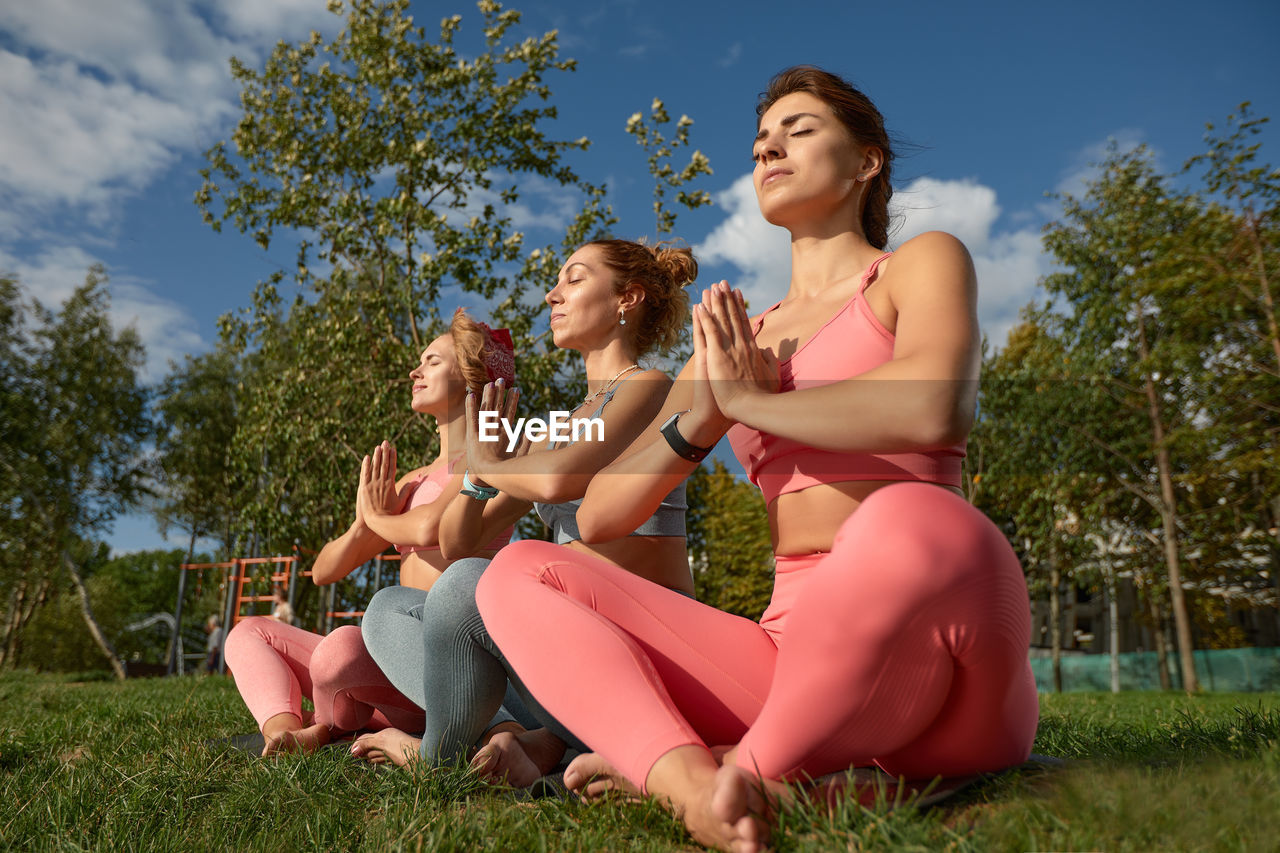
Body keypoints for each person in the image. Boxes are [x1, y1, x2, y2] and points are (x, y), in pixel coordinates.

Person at [473, 66, 1039, 851]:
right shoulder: (741, 337)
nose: (769, 145)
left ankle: (755, 763)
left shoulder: (917, 264)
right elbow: (601, 515)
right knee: (520, 569)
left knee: (910, 517)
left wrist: (756, 405)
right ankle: (698, 787)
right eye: (761, 140)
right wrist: (702, 417)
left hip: (944, 650)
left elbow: (933, 405)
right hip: (788, 661)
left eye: (799, 130)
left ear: (867, 161)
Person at [351, 239, 698, 785]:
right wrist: (476, 475)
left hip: (641, 654)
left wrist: (494, 461)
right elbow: (460, 538)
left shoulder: (649, 388)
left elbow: (561, 478)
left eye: (574, 280)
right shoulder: (555, 428)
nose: (551, 294)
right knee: (391, 607)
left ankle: (440, 754)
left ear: (626, 298)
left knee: (468, 584)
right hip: (572, 650)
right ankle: (526, 737)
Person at [222, 310, 517, 756]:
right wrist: (363, 524)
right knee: (249, 632)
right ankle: (285, 731)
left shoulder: (486, 460)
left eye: (433, 361)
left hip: (445, 662)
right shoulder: (411, 480)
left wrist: (378, 520)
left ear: (472, 374)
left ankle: (335, 725)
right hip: (388, 661)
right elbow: (324, 570)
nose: (415, 371)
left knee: (340, 649)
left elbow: (431, 526)